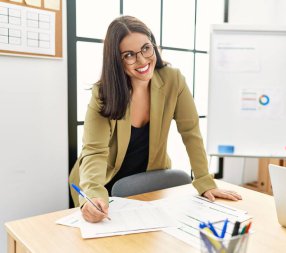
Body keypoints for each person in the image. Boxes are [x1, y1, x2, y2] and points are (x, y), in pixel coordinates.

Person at [69, 16, 242, 223]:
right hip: (101, 184)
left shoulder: (173, 80)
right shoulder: (103, 93)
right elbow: (94, 151)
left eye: (146, 48)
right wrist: (93, 195)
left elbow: (191, 133)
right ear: (116, 59)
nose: (142, 60)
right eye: (129, 55)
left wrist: (205, 181)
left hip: (148, 184)